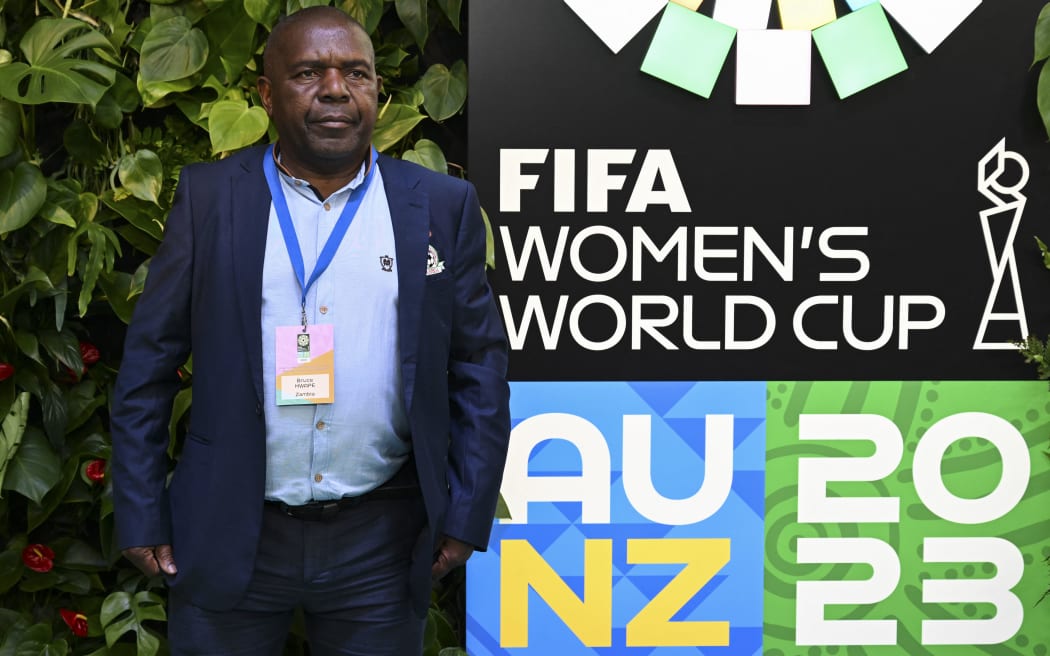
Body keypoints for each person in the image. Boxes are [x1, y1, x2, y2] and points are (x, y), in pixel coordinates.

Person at [109, 7, 510, 655]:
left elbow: (480, 369)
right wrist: (139, 511)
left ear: (377, 91)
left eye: (355, 72)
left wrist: (466, 514)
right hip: (228, 530)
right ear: (267, 94)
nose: (334, 88)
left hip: (378, 541)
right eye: (307, 72)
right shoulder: (213, 199)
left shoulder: (439, 205)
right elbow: (148, 370)